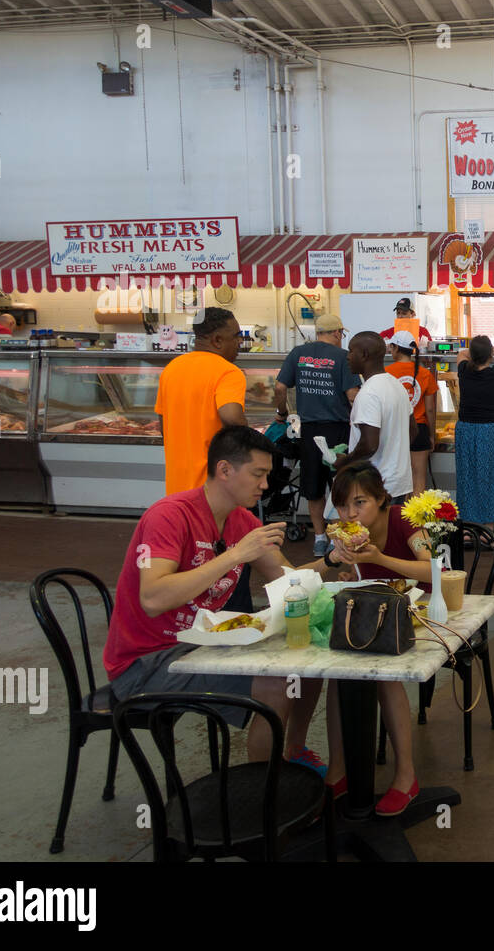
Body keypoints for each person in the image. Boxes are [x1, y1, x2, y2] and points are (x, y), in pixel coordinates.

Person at [103, 426, 342, 784]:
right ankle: (265, 792)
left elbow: (290, 581)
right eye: (258, 474)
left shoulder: (241, 521)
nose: (265, 485)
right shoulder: (169, 515)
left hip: (202, 644)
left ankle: (291, 752)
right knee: (277, 682)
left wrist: (334, 560)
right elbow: (153, 599)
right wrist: (235, 555)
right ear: (225, 470)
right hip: (145, 662)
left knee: (305, 661)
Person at [326, 461, 436, 815]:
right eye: (343, 505)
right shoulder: (343, 535)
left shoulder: (406, 519)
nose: (350, 513)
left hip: (423, 613)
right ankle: (339, 771)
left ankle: (406, 776)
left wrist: (381, 558)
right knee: (337, 675)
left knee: (383, 677)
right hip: (371, 615)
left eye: (360, 503)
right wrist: (335, 563)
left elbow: (432, 568)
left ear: (382, 499)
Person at [154, 306, 255, 611]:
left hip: (178, 496)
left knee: (193, 580)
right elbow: (231, 415)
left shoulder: (172, 369)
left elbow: (162, 425)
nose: (240, 342)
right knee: (229, 580)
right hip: (217, 498)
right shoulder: (226, 371)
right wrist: (253, 442)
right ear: (216, 339)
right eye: (236, 336)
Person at [274, 313, 361, 556]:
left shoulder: (297, 354)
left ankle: (319, 539)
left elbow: (280, 387)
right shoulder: (343, 357)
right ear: (336, 333)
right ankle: (337, 539)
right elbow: (353, 395)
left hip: (308, 431)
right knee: (340, 486)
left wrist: (282, 413)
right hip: (337, 430)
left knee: (313, 487)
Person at [335, 331, 414, 501]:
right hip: (400, 481)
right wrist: (394, 452)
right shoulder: (396, 385)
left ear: (364, 355)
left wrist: (346, 461)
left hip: (377, 485)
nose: (347, 357)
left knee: (375, 529)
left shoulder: (368, 393)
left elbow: (370, 445)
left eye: (350, 351)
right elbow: (413, 431)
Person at [454, 335, 494, 526]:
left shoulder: (464, 370)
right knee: (490, 477)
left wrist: (481, 352)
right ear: (490, 355)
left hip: (465, 429)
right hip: (490, 430)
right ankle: (489, 528)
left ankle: (467, 528)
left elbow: (461, 353)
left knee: (466, 477)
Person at [385, 330, 438, 494]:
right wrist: (431, 435)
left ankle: (399, 518)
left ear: (395, 348)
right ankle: (417, 518)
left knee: (399, 479)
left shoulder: (386, 372)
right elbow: (430, 409)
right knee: (419, 477)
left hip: (395, 430)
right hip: (419, 429)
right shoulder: (425, 373)